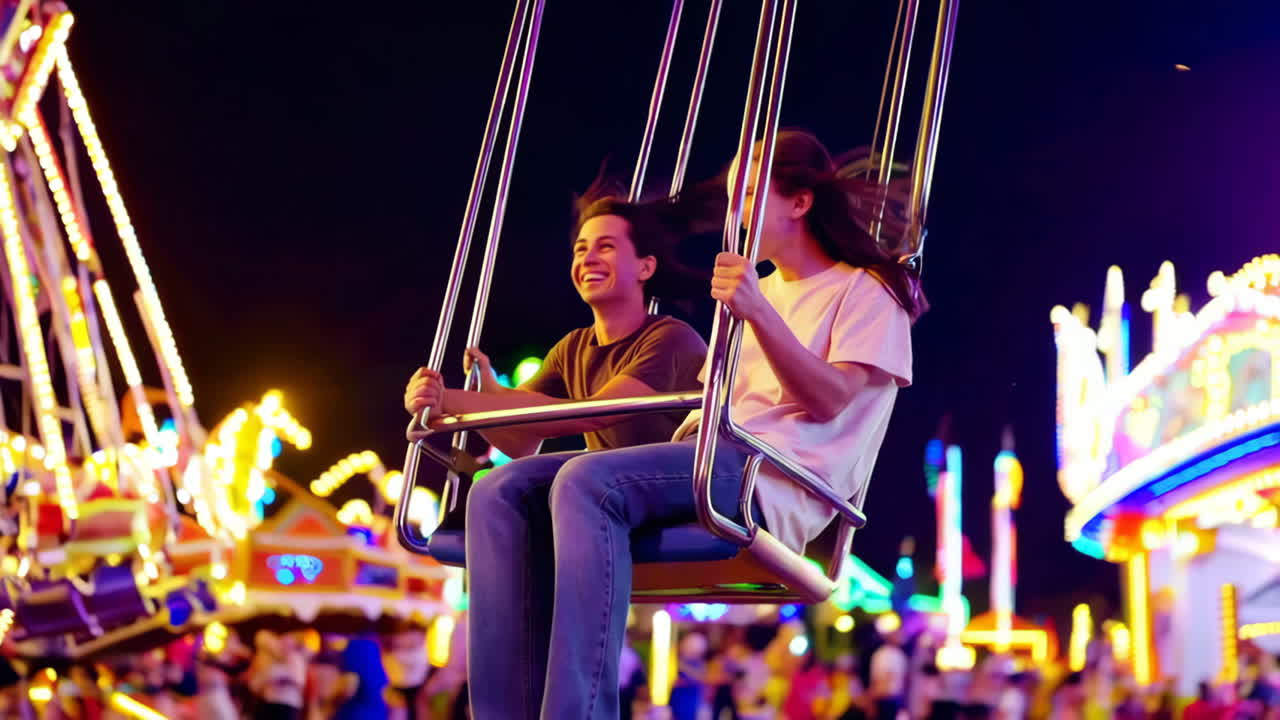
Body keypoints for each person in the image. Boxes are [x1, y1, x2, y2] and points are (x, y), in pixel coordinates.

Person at [410, 130, 920, 719]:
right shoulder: (753, 292)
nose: (733, 214)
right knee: (497, 491)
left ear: (799, 203)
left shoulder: (866, 291)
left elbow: (829, 400)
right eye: (732, 198)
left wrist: (757, 313)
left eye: (749, 195)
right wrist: (469, 402)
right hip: (707, 457)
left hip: (770, 476)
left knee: (584, 482)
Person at [404, 192, 709, 460]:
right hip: (608, 485)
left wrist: (448, 399)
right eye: (580, 249)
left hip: (675, 489)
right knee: (496, 487)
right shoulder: (572, 348)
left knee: (572, 476)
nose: (587, 259)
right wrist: (480, 391)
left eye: (605, 247)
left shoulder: (671, 339)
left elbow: (594, 415)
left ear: (646, 267)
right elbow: (520, 440)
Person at [332, 636, 391, 720]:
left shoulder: (355, 648)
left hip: (357, 715)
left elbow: (349, 689)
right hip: (378, 714)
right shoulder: (374, 645)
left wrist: (330, 705)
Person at [869, 631, 909, 720]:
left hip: (897, 697)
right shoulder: (883, 655)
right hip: (885, 698)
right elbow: (880, 679)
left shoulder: (900, 654)